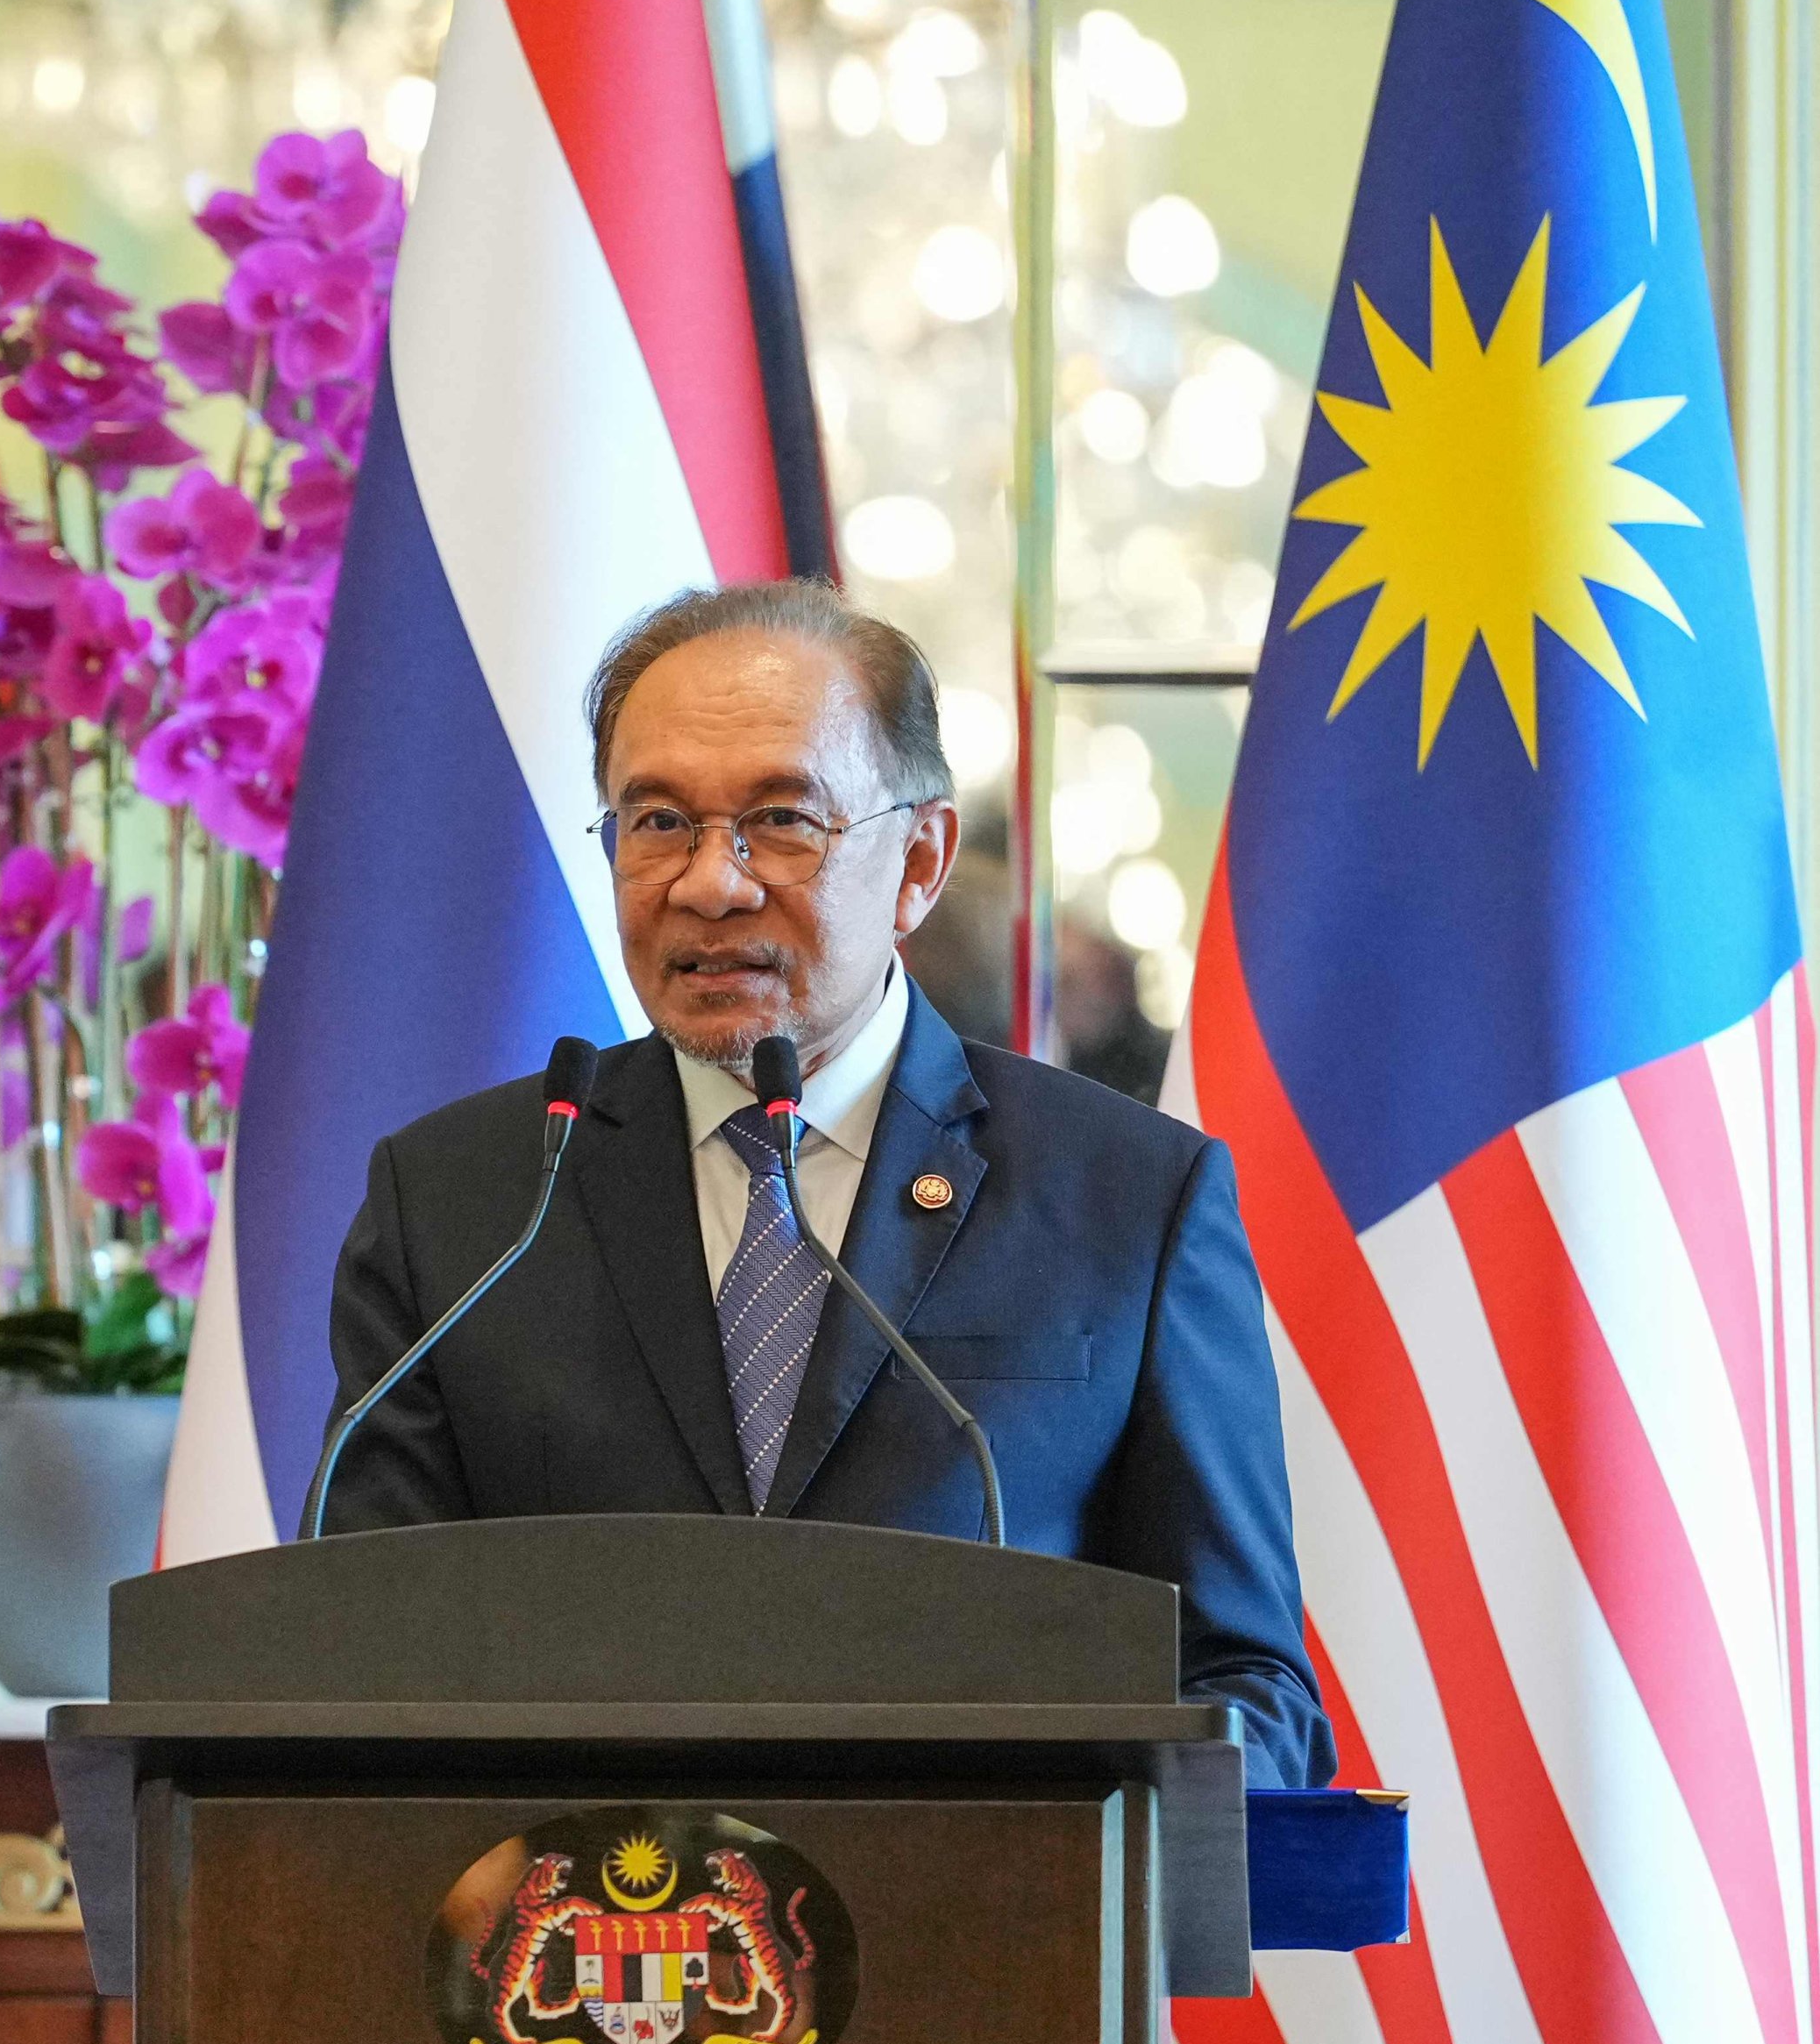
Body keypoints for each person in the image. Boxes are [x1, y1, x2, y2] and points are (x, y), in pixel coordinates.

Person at [318, 580, 1328, 1786]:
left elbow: (1243, 1683)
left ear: (917, 860)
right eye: (654, 823)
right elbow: (352, 1659)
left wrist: (1075, 1825)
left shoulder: (1127, 1199)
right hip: (579, 1954)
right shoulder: (463, 1203)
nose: (708, 883)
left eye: (780, 821)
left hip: (999, 1947)